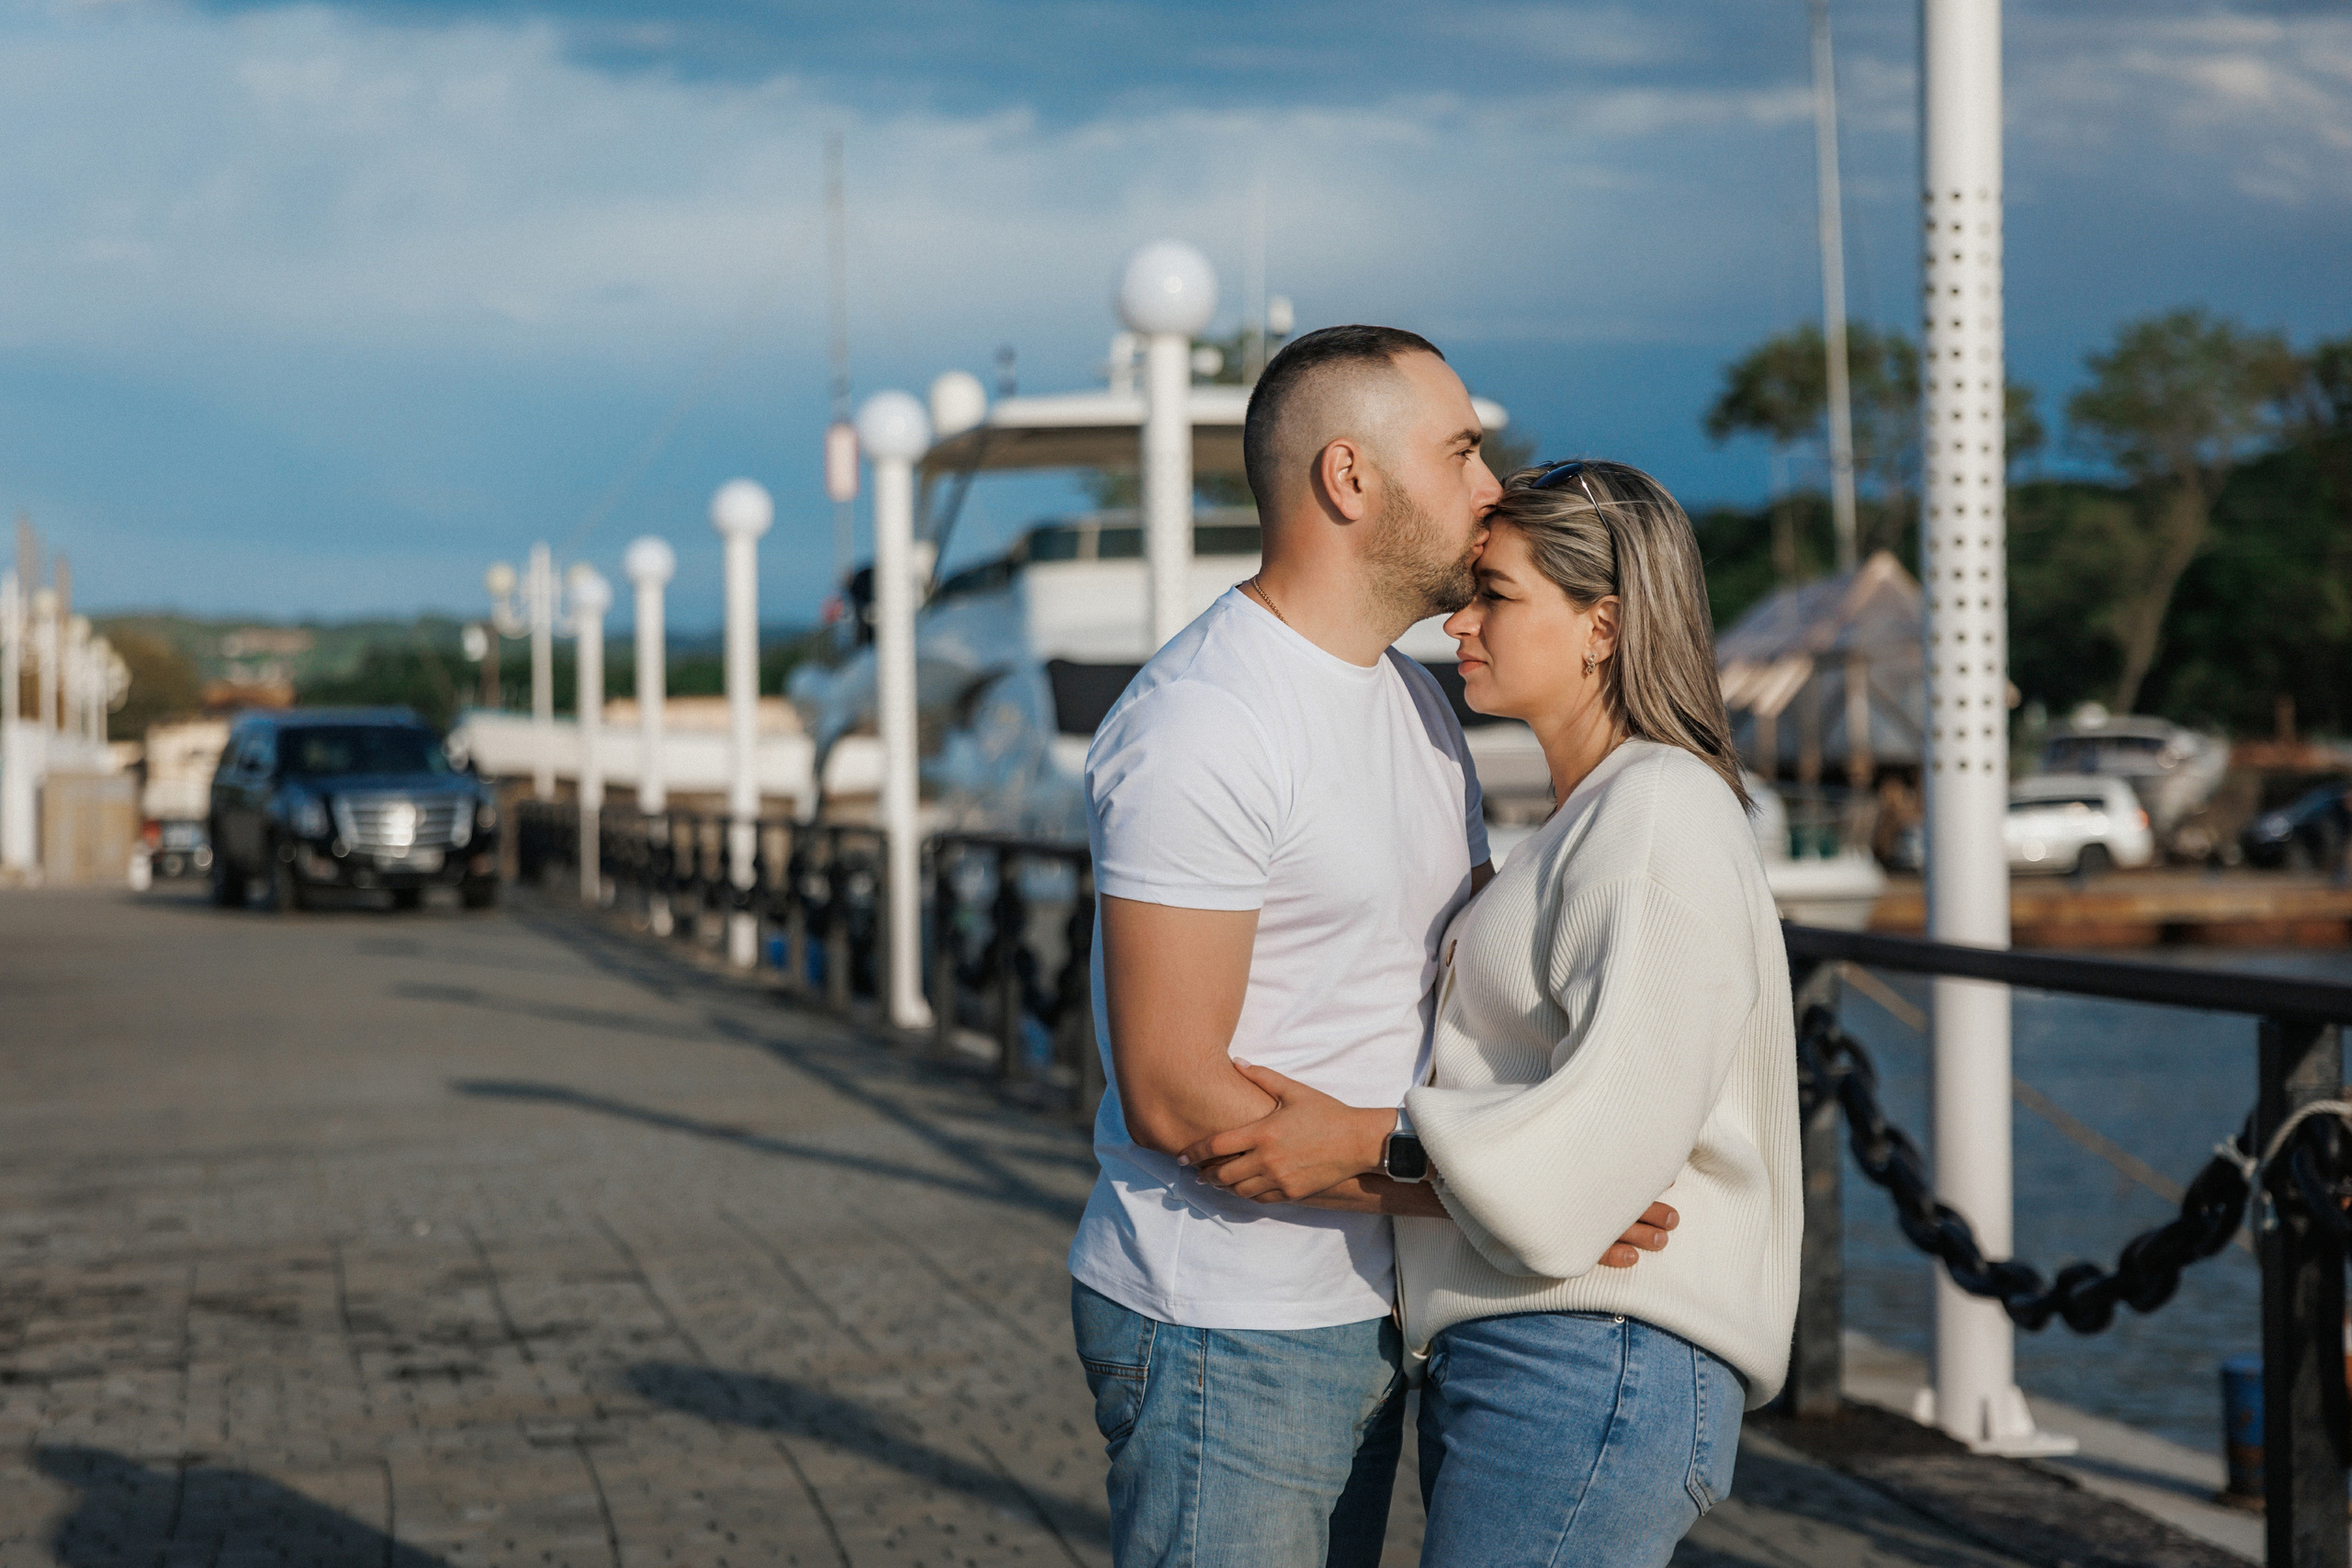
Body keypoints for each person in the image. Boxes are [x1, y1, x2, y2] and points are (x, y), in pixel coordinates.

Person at [1069, 330, 1679, 1568]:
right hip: (1225, 1328)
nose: (1491, 488)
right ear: (1351, 478)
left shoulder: (1413, 701)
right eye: (1459, 452)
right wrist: (1507, 1195)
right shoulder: (1205, 725)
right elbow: (1181, 1095)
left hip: (1385, 1296)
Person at [1184, 458, 1801, 1568]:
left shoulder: (1657, 814)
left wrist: (1357, 1146)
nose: (1459, 623)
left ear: (1601, 624)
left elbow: (1603, 1150)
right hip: (1541, 1344)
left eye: (1497, 596)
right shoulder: (1590, 820)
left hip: (1596, 1344)